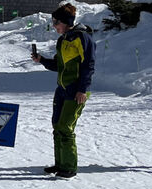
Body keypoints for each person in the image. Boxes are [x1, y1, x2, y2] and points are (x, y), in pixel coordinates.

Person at [31, 3, 95, 178]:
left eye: (56, 22)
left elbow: (88, 66)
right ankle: (60, 164)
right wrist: (42, 59)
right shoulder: (63, 40)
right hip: (62, 89)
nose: (54, 26)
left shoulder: (82, 38)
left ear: (66, 22)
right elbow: (58, 65)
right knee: (57, 126)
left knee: (66, 127)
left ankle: (69, 167)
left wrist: (82, 90)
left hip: (76, 91)